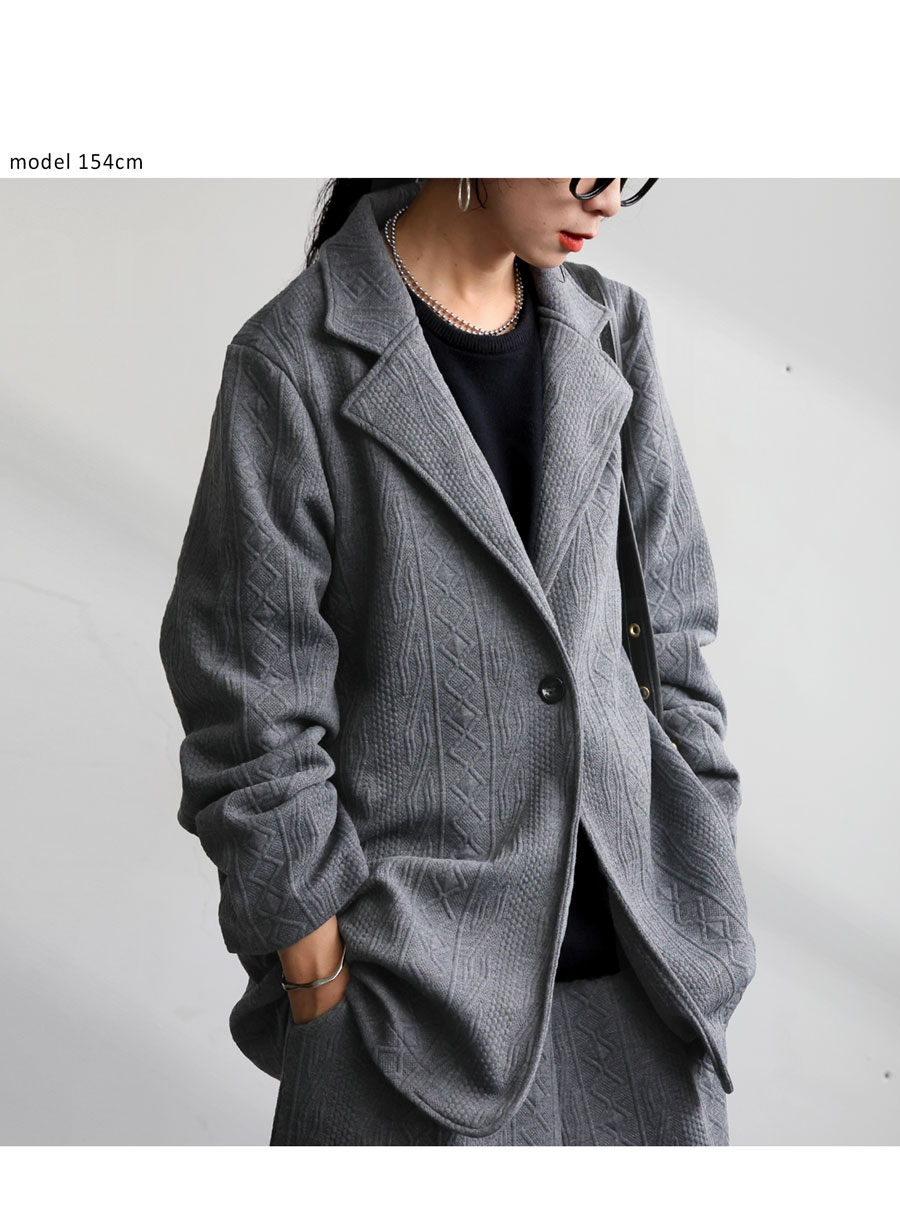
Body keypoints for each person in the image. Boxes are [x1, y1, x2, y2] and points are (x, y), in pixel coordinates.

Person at [158, 178, 756, 1146]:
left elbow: (672, 632)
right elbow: (247, 704)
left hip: (647, 993)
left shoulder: (611, 333)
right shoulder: (295, 361)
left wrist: (700, 847)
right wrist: (320, 983)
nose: (608, 197)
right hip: (411, 1018)